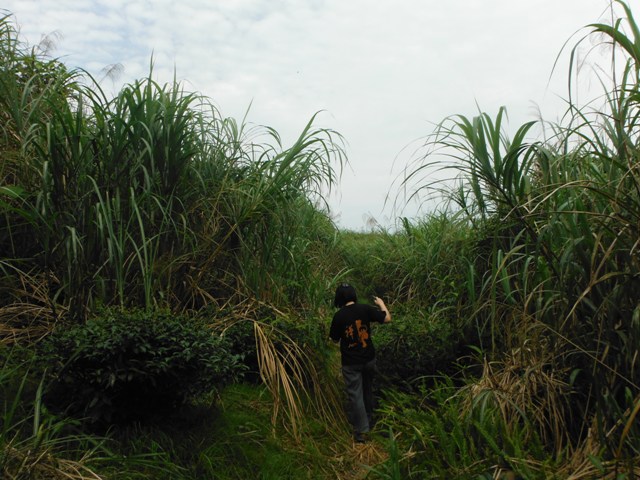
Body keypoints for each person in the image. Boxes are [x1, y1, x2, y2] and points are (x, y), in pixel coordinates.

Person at [329, 283, 391, 443]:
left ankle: (363, 431)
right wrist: (381, 304)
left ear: (339, 298)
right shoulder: (365, 309)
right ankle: (369, 420)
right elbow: (387, 318)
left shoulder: (338, 316)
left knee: (356, 395)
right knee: (367, 390)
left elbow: (334, 339)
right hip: (369, 359)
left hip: (351, 363)